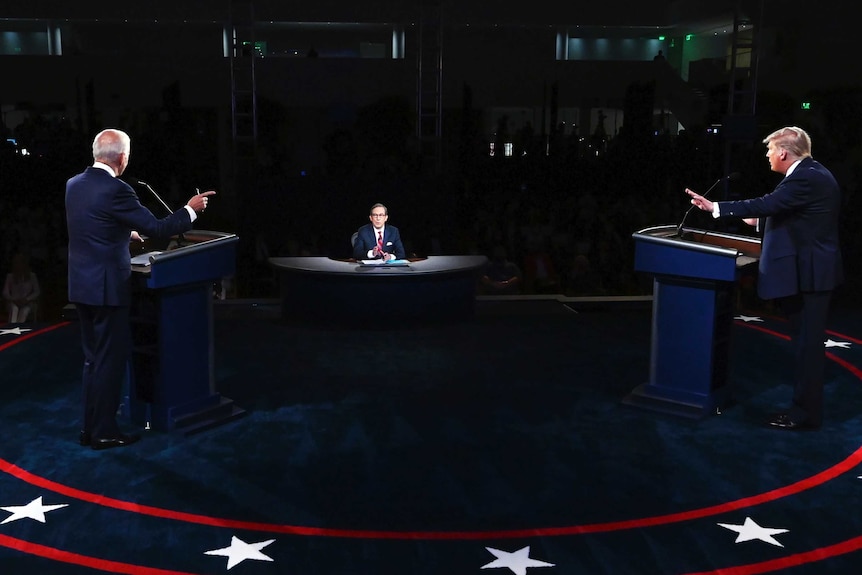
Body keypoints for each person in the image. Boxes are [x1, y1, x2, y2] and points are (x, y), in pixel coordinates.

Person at [685, 126, 843, 430]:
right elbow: (792, 214)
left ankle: (805, 414)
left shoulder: (805, 176)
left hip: (811, 275)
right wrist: (760, 219)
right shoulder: (811, 173)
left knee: (808, 348)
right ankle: (805, 410)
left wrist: (716, 207)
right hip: (810, 272)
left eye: (770, 150)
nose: (768, 156)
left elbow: (769, 203)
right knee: (804, 346)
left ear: (783, 152)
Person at [65, 128, 214, 450]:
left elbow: (92, 226)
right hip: (107, 289)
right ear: (122, 157)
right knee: (111, 360)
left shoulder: (74, 185)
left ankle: (89, 428)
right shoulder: (117, 190)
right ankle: (103, 432)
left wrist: (123, 234)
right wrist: (191, 209)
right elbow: (161, 228)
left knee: (93, 360)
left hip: (82, 286)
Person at [3, 252, 41, 323]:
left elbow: (37, 291)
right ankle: (12, 328)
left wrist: (27, 299)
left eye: (20, 263)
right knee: (14, 309)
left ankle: (19, 328)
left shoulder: (32, 276)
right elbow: (5, 292)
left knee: (24, 311)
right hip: (13, 301)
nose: (18, 265)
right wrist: (13, 299)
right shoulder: (10, 276)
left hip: (28, 302)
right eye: (16, 263)